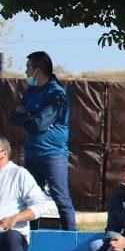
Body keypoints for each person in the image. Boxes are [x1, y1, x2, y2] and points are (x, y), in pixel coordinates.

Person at [11, 51, 76, 230]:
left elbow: (38, 126)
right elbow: (15, 117)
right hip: (32, 154)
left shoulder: (56, 94)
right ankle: (30, 238)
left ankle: (71, 239)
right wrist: (30, 117)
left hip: (53, 155)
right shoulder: (32, 90)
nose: (25, 72)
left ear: (37, 71)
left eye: (27, 68)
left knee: (61, 198)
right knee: (31, 199)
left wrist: (27, 116)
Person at [0, 136, 47, 251]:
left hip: (8, 235)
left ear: (4, 153)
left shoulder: (19, 174)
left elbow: (40, 205)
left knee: (12, 237)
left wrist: (14, 219)